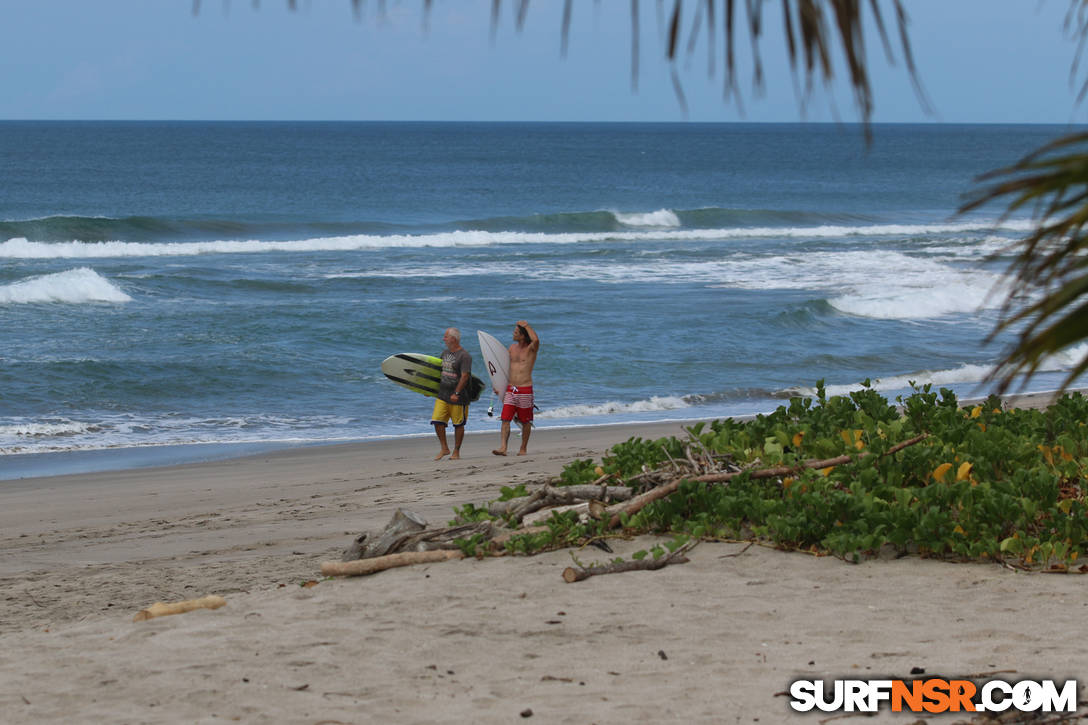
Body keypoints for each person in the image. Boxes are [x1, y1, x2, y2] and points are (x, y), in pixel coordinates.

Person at [493, 320, 539, 456]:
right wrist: (498, 385)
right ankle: (503, 448)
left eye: (516, 332)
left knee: (525, 421)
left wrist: (526, 325)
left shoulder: (531, 349)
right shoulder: (512, 348)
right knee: (505, 418)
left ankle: (523, 448)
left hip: (525, 389)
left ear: (523, 336)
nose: (513, 333)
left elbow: (536, 340)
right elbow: (503, 368)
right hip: (511, 389)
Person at [432, 327, 472, 460]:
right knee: (437, 421)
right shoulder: (444, 353)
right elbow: (439, 373)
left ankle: (456, 451)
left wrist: (456, 392)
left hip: (458, 398)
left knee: (458, 425)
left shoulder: (464, 356)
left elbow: (465, 376)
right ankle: (444, 448)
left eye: (446, 337)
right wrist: (430, 389)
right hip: (442, 395)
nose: (444, 339)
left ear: (453, 339)